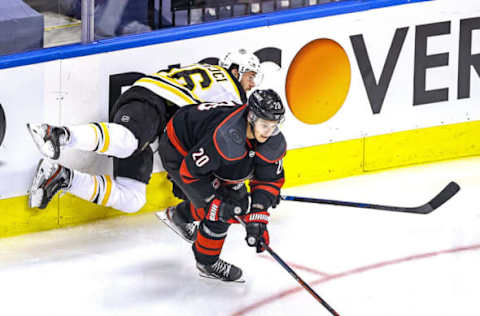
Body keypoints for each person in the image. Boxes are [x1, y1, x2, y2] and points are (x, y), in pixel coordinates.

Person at [26, 49, 262, 213]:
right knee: (127, 141)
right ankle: (58, 134)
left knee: (133, 199)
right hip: (153, 102)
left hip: (152, 119)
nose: (252, 86)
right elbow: (211, 141)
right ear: (235, 70)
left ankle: (61, 177)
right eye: (251, 77)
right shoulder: (233, 97)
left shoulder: (211, 75)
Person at [157, 89, 286, 282]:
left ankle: (179, 215)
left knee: (239, 205)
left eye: (274, 126)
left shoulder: (264, 137)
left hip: (207, 148)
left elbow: (269, 180)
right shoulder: (225, 137)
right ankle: (207, 263)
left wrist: (258, 213)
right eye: (264, 125)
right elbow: (190, 172)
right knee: (223, 207)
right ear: (251, 117)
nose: (269, 132)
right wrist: (214, 203)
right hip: (178, 148)